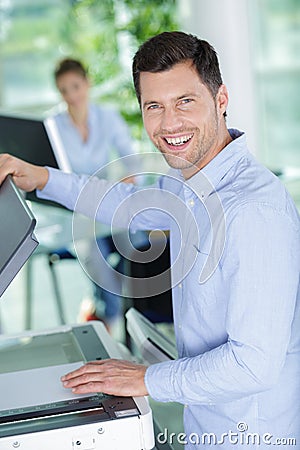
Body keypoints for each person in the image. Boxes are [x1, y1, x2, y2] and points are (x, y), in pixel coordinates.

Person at [0, 31, 299, 449]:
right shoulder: (189, 182)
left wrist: (145, 378)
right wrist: (44, 178)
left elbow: (255, 366)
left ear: (221, 98)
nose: (169, 123)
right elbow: (129, 203)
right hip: (206, 421)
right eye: (153, 106)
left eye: (185, 102)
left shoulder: (253, 212)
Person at [51, 57, 138, 329]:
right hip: (76, 213)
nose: (71, 96)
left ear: (87, 84)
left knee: (138, 241)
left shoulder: (106, 117)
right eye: (64, 90)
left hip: (108, 204)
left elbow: (132, 158)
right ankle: (110, 318)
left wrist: (131, 176)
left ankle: (120, 311)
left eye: (75, 87)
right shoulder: (54, 125)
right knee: (95, 256)